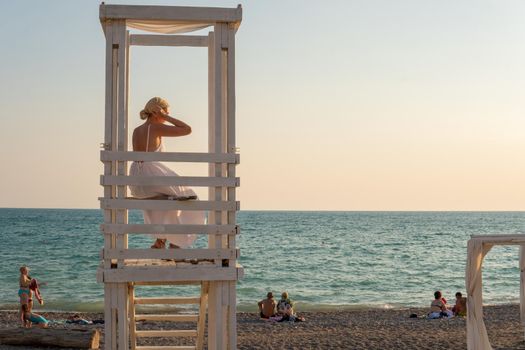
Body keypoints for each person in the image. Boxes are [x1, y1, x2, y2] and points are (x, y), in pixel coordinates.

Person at [129, 97, 206, 250]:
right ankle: (177, 242)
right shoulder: (155, 127)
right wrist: (166, 117)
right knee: (189, 197)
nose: (167, 116)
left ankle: (160, 241)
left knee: (168, 201)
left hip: (136, 178)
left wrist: (162, 116)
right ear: (158, 112)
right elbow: (187, 129)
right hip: (150, 174)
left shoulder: (137, 130)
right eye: (166, 112)